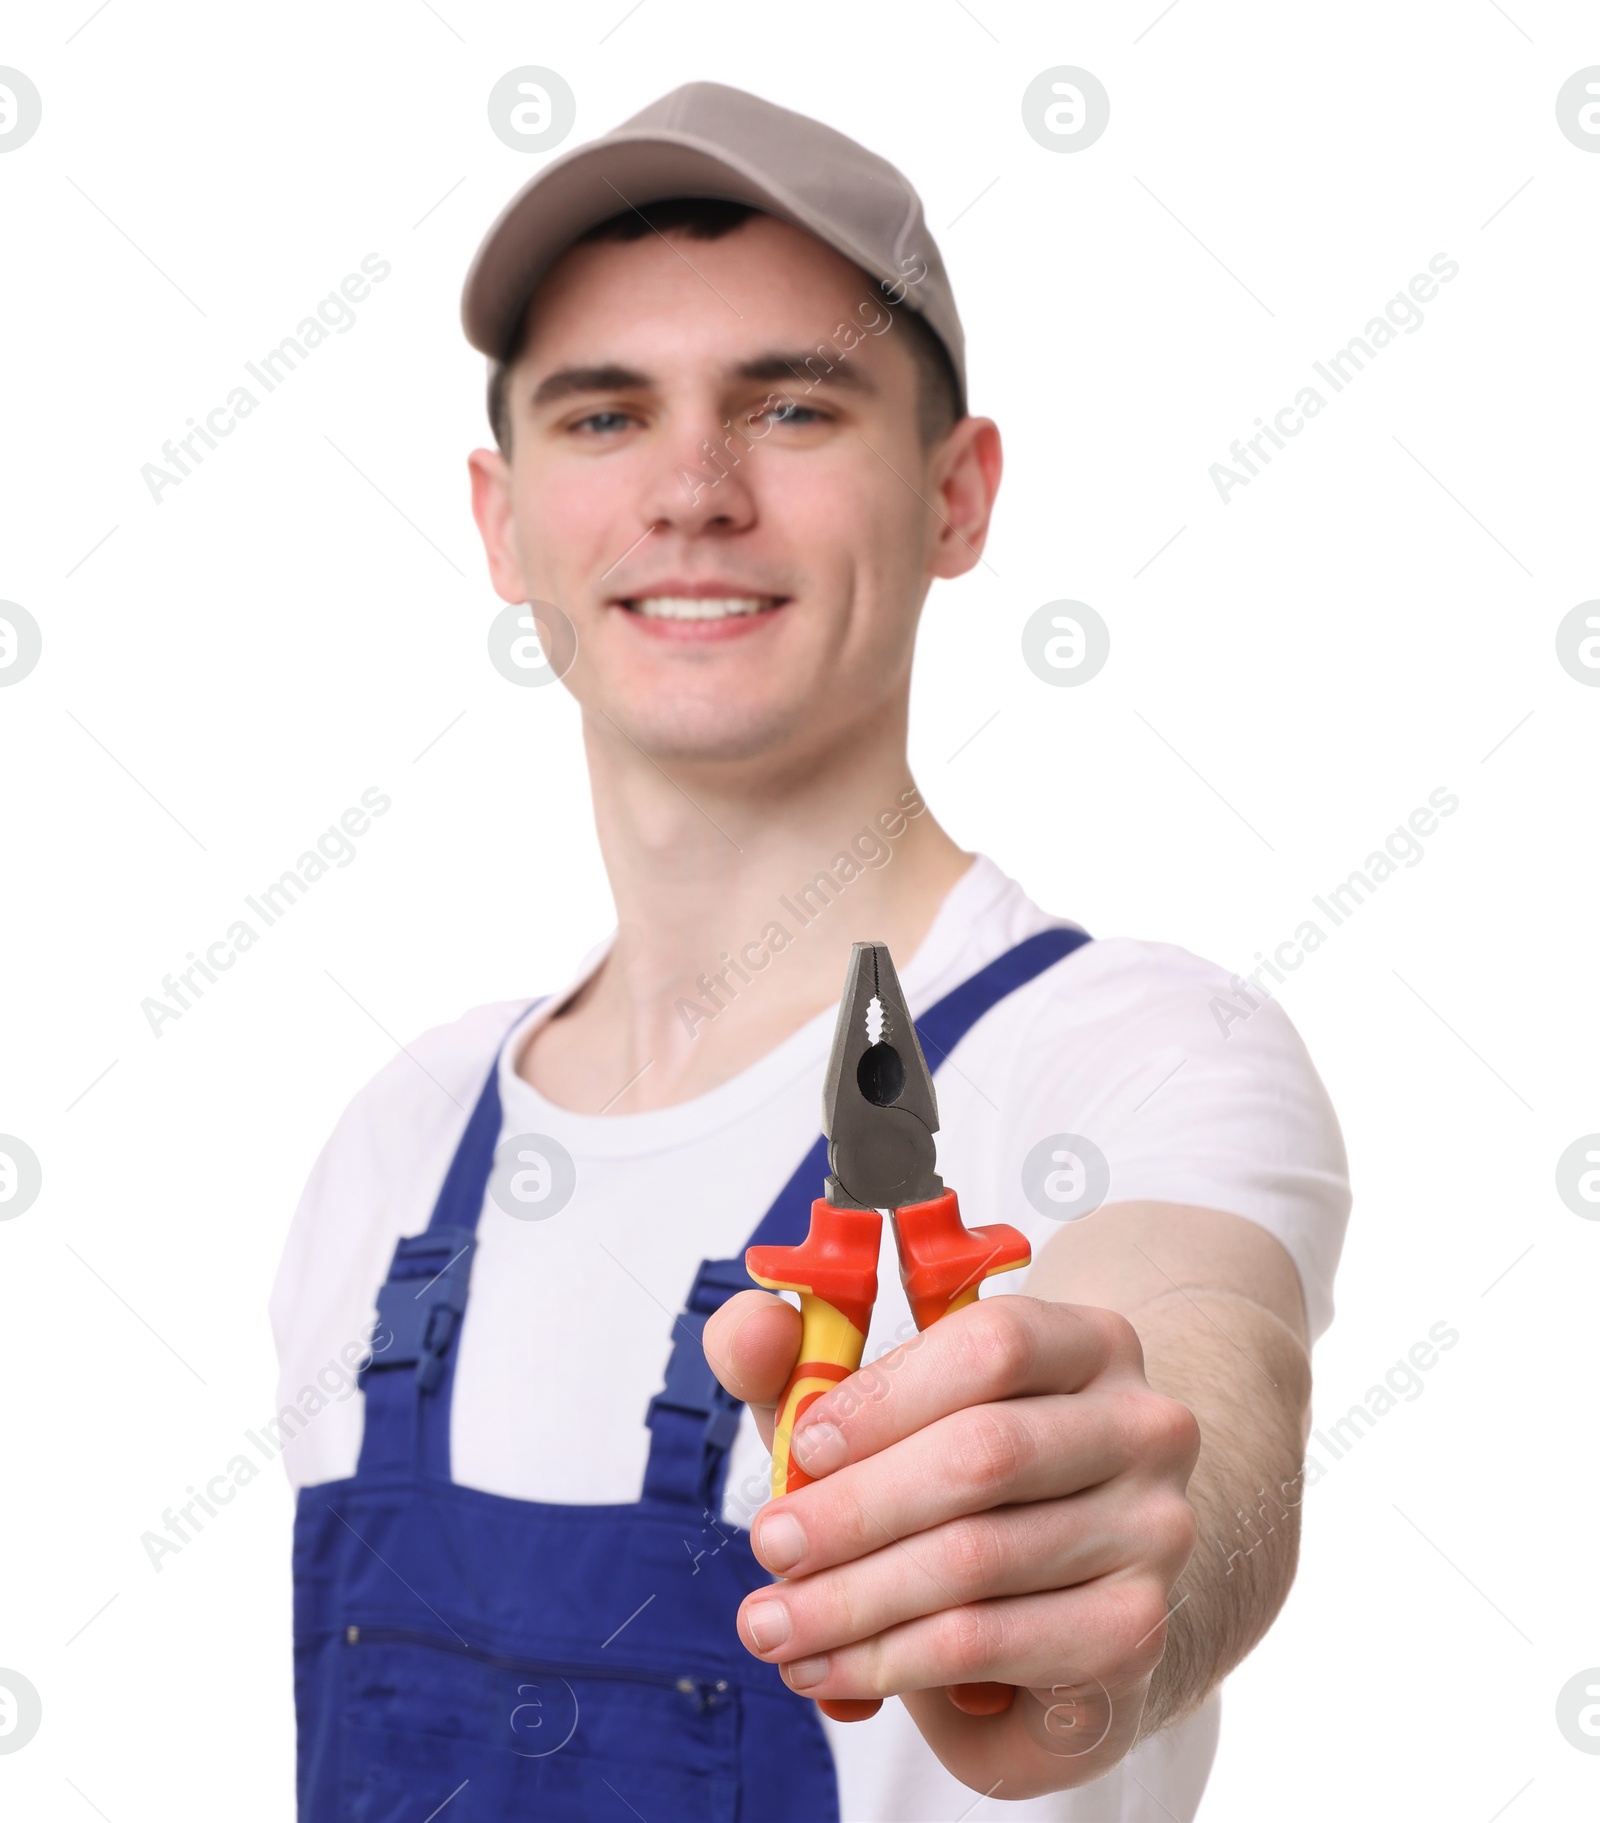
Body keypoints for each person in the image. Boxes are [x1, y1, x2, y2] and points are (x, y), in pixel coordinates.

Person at [271, 81, 1350, 1821]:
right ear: (502, 521)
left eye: (790, 403)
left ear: (958, 496)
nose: (695, 492)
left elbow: (1202, 1373)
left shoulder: (1145, 1054)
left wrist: (1098, 1604)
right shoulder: (399, 1143)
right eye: (607, 416)